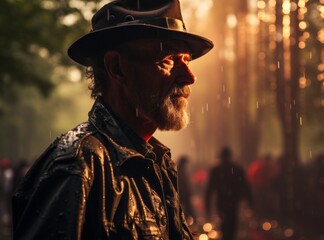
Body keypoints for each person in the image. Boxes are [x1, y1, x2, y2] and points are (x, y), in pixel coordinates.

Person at [12, 0, 213, 239]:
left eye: (186, 60)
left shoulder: (157, 162)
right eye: (168, 59)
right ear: (117, 68)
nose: (189, 77)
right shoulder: (77, 165)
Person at [205, 147, 253, 240]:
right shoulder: (237, 169)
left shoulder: (216, 170)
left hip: (222, 200)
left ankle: (225, 236)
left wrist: (208, 204)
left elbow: (210, 188)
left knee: (224, 221)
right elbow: (245, 186)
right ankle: (230, 236)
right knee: (232, 221)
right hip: (233, 200)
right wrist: (250, 201)